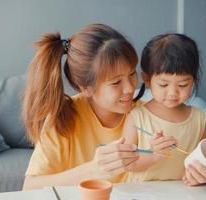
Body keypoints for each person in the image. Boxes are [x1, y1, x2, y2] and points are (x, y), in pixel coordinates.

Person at [21, 24, 141, 190]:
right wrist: (93, 170)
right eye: (116, 82)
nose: (130, 88)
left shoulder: (149, 113)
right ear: (86, 88)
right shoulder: (63, 117)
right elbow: (29, 188)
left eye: (132, 74)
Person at [121, 33, 206, 185]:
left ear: (193, 81)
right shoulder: (137, 116)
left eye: (183, 85)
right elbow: (127, 164)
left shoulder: (199, 118)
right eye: (164, 85)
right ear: (147, 79)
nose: (173, 93)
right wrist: (154, 155)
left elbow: (199, 161)